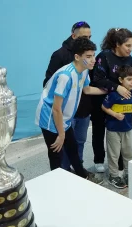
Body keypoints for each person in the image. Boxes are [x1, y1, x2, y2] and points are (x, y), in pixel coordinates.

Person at [35, 37, 105, 184]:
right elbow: (56, 108)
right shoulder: (66, 76)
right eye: (88, 56)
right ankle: (57, 184)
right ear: (77, 57)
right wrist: (61, 134)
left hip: (63, 117)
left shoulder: (84, 70)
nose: (93, 60)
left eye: (93, 55)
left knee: (72, 148)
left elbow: (86, 89)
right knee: (56, 154)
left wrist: (110, 90)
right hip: (50, 118)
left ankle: (82, 175)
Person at [43, 21, 92, 170]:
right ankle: (64, 174)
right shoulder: (60, 56)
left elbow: (88, 86)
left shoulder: (88, 58)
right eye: (84, 37)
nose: (87, 40)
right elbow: (47, 83)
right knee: (62, 147)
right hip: (63, 112)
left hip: (82, 108)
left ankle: (79, 169)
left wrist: (112, 88)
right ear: (73, 35)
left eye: (90, 37)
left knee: (79, 142)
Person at [89, 28, 132, 173]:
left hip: (121, 103)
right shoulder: (104, 56)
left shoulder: (129, 59)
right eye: (127, 45)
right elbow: (97, 79)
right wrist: (116, 87)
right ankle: (99, 160)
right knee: (99, 130)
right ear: (117, 44)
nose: (130, 49)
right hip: (101, 101)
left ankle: (120, 161)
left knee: (119, 131)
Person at [102, 65, 132, 188]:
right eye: (129, 79)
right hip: (113, 130)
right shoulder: (114, 95)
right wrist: (115, 114)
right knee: (114, 154)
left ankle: (128, 174)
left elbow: (131, 109)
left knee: (128, 153)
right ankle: (113, 175)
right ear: (120, 80)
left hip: (128, 129)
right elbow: (104, 107)